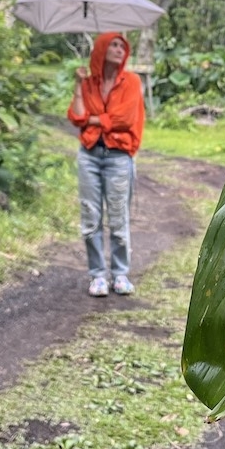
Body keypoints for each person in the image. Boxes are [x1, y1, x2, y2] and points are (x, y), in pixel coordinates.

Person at [67, 32, 144, 298]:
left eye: (122, 46)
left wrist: (93, 119)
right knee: (90, 217)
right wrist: (78, 85)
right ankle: (98, 275)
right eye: (113, 44)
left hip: (118, 157)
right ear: (100, 49)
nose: (119, 49)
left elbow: (125, 118)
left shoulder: (131, 82)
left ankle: (120, 274)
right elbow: (77, 116)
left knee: (118, 216)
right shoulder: (88, 84)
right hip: (89, 155)